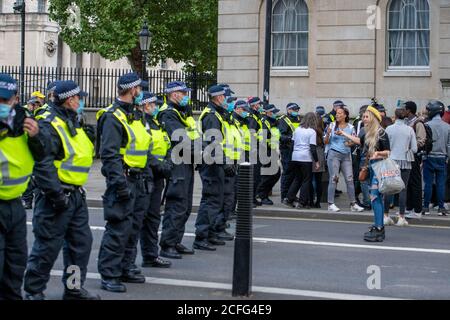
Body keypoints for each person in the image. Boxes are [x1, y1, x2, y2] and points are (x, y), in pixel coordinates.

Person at [24, 80, 99, 300]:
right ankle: (33, 292)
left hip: (75, 195)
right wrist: (56, 195)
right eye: (79, 98)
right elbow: (43, 164)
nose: (82, 101)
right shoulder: (49, 123)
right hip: (55, 197)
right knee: (46, 249)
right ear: (70, 99)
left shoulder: (71, 120)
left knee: (80, 245)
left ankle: (74, 288)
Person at [96, 73, 152, 292]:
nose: (141, 93)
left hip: (138, 179)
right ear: (132, 90)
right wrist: (119, 185)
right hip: (124, 179)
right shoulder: (113, 117)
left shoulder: (136, 115)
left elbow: (143, 149)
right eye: (139, 89)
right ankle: (109, 273)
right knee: (119, 228)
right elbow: (109, 155)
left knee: (133, 227)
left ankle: (126, 266)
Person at [0, 73, 45, 300]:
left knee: (16, 262)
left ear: (15, 99)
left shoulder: (24, 122)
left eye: (5, 100)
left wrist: (36, 136)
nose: (2, 105)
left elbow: (41, 155)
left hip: (15, 205)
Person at [158, 81, 200, 258]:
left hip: (186, 161)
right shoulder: (168, 114)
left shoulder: (180, 113)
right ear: (174, 94)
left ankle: (176, 240)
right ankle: (167, 244)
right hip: (176, 163)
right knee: (177, 204)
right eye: (183, 93)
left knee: (185, 205)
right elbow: (179, 139)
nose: (186, 96)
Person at [134, 92, 172, 269]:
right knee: (140, 218)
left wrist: (167, 163)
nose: (155, 107)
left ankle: (150, 255)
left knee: (153, 218)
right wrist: (159, 165)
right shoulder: (141, 124)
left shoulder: (157, 123)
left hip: (158, 177)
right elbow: (144, 151)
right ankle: (128, 261)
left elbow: (166, 145)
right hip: (146, 175)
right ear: (143, 105)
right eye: (152, 104)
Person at [195, 85, 235, 251]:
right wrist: (224, 162)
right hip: (211, 164)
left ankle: (211, 233)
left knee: (215, 200)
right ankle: (201, 236)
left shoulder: (217, 114)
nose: (226, 100)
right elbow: (213, 143)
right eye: (225, 97)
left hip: (215, 162)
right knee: (210, 201)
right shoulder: (212, 116)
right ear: (218, 97)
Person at [324, 107, 364, 213]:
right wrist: (328, 133)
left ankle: (353, 204)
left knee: (350, 179)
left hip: (346, 156)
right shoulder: (331, 125)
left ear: (345, 115)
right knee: (334, 178)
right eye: (337, 113)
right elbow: (326, 142)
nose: (337, 115)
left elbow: (354, 141)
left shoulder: (351, 127)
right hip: (334, 155)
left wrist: (349, 143)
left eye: (340, 113)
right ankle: (330, 204)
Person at [383, 107, 417, 226]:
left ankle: (386, 216)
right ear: (405, 117)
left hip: (391, 160)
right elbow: (414, 149)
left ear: (395, 116)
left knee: (389, 188)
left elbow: (384, 145)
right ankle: (401, 217)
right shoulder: (409, 129)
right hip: (405, 161)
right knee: (403, 189)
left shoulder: (389, 129)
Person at [361, 106, 391, 242]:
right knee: (375, 199)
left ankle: (379, 229)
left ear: (373, 118)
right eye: (363, 116)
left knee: (375, 197)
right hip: (373, 168)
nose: (363, 119)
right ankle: (378, 226)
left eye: (366, 116)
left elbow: (389, 152)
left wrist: (377, 153)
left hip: (380, 168)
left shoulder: (381, 133)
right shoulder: (369, 133)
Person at [282, 112, 319, 209]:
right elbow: (312, 148)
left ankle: (288, 199)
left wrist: (291, 158)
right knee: (306, 180)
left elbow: (292, 145)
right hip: (306, 158)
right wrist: (317, 161)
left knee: (297, 179)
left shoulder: (297, 130)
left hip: (295, 157)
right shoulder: (312, 132)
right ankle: (302, 202)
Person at [422, 100, 450, 216]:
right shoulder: (447, 127)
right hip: (442, 157)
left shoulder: (427, 125)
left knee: (428, 183)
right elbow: (449, 144)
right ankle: (441, 207)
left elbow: (424, 142)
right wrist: (447, 157)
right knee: (440, 183)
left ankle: (426, 207)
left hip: (429, 157)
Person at [403, 101, 427, 219]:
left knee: (416, 183)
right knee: (409, 183)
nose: (403, 111)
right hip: (407, 156)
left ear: (409, 110)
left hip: (414, 157)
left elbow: (421, 140)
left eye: (404, 109)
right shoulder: (407, 122)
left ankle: (417, 210)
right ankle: (410, 207)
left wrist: (410, 147)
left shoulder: (418, 123)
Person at [256, 104, 281, 205]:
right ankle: (262, 194)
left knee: (276, 174)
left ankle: (262, 193)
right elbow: (262, 139)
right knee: (268, 175)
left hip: (273, 151)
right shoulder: (264, 122)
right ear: (268, 112)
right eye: (274, 112)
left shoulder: (273, 122)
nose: (276, 114)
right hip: (266, 152)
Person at [278, 103, 301, 201]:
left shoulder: (299, 119)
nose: (296, 111)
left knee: (295, 174)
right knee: (287, 173)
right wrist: (291, 138)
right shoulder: (283, 119)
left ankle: (291, 195)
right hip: (287, 150)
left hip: (296, 149)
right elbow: (281, 136)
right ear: (289, 110)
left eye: (297, 110)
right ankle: (284, 196)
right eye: (295, 110)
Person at [247, 97, 264, 207]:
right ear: (254, 105)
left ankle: (252, 198)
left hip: (256, 148)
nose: (261, 106)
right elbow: (252, 133)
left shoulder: (256, 116)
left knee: (256, 176)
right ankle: (250, 199)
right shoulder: (252, 117)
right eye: (259, 104)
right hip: (253, 150)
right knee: (254, 176)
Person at [311, 113, 326, 208]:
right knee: (318, 179)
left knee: (311, 179)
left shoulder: (310, 130)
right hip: (320, 152)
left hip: (311, 152)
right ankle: (318, 202)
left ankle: (311, 200)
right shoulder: (321, 131)